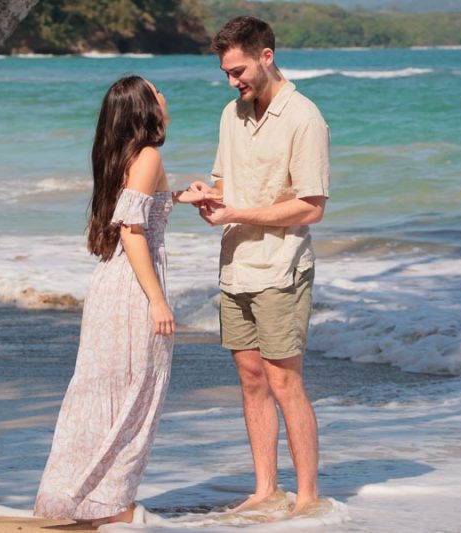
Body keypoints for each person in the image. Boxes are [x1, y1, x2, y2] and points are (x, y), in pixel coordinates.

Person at [33, 75, 219, 527]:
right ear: (144, 108)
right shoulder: (149, 156)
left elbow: (133, 210)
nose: (164, 95)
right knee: (136, 393)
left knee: (102, 392)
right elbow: (133, 230)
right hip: (133, 287)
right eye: (156, 91)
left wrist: (179, 197)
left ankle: (81, 498)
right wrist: (157, 299)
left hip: (110, 284)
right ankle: (112, 505)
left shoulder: (125, 156)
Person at [190, 16, 330, 514]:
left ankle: (308, 498)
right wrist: (207, 197)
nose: (233, 82)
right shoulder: (232, 114)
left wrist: (237, 212)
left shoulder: (304, 118)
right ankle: (265, 489)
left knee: (284, 382)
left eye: (239, 70)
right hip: (236, 265)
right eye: (227, 73)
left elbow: (312, 206)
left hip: (281, 267)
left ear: (266, 56)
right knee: (250, 380)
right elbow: (227, 186)